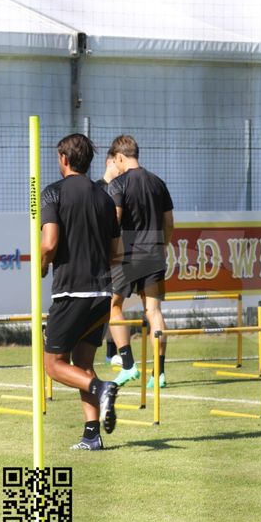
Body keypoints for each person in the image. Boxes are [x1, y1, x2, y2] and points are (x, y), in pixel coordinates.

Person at [40, 134, 121, 450]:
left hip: (72, 293)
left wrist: (42, 265)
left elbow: (49, 243)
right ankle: (91, 435)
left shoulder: (53, 193)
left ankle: (102, 388)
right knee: (82, 363)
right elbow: (117, 252)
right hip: (102, 295)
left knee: (53, 365)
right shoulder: (105, 199)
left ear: (63, 158)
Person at [106, 135, 175, 389]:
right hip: (154, 252)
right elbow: (169, 223)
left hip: (126, 254)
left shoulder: (118, 184)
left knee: (113, 306)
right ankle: (159, 373)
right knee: (153, 312)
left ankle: (128, 365)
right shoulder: (158, 182)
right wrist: (162, 246)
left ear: (120, 157)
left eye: (115, 161)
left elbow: (115, 220)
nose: (116, 166)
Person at [94, 148, 122, 366]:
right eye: (117, 162)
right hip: (98, 257)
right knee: (98, 307)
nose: (121, 168)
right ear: (109, 162)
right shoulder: (96, 189)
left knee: (114, 306)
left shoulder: (122, 188)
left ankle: (113, 352)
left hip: (116, 256)